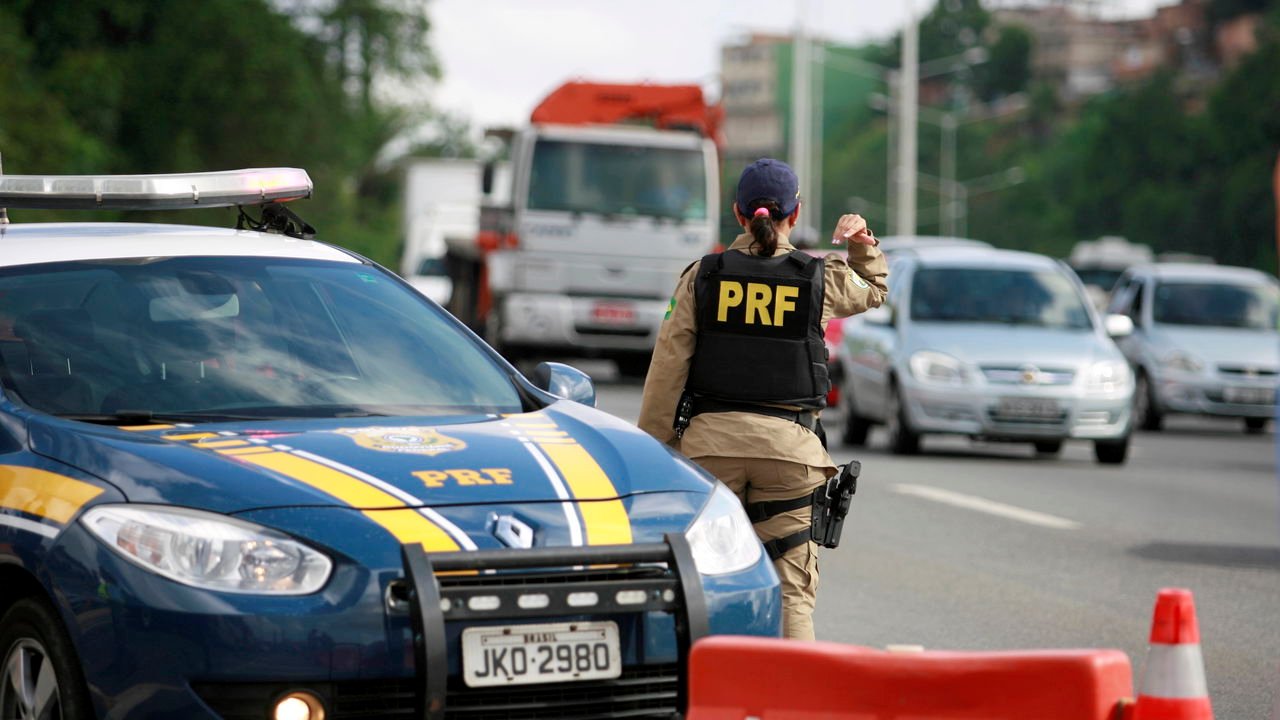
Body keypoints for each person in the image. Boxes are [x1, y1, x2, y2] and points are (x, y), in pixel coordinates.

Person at [637, 158, 888, 640]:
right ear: (795, 214)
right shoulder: (819, 278)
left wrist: (657, 458)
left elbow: (667, 371)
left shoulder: (701, 277)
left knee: (704, 587)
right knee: (792, 594)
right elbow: (873, 287)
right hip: (791, 455)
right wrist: (862, 244)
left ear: (737, 212)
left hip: (710, 455)